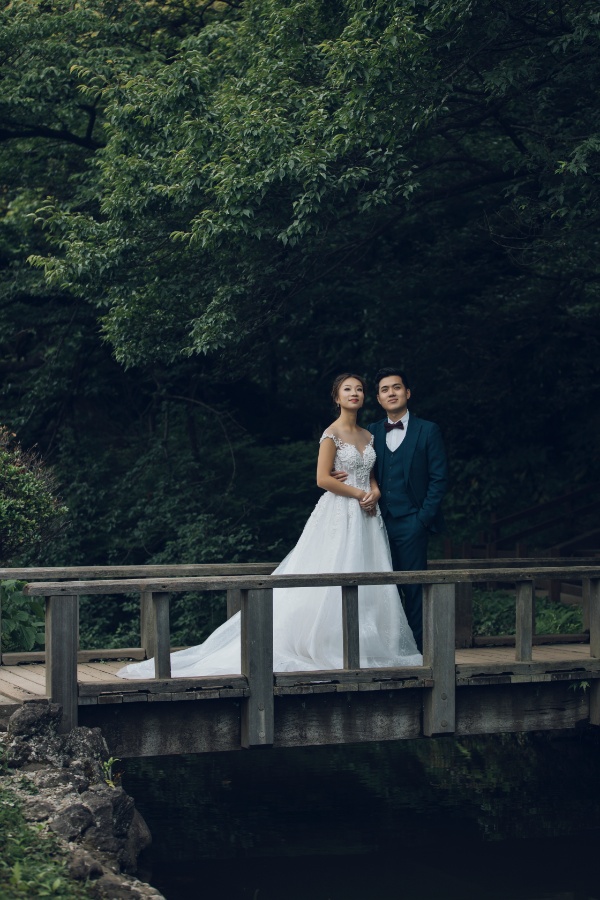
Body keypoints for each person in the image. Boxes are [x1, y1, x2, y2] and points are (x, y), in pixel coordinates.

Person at [117, 373, 422, 680]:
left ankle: (366, 646)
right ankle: (326, 643)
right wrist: (358, 495)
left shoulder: (368, 436)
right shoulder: (331, 434)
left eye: (358, 389)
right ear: (337, 397)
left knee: (368, 574)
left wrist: (374, 493)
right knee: (334, 572)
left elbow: (371, 474)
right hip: (340, 513)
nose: (354, 393)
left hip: (368, 517)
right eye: (347, 389)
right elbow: (322, 479)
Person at [366, 368, 448, 652]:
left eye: (397, 387)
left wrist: (423, 519)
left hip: (413, 521)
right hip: (375, 523)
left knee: (414, 590)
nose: (391, 393)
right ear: (378, 398)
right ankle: (389, 650)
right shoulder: (371, 432)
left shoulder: (428, 430)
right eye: (385, 389)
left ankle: (419, 653)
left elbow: (439, 478)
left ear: (407, 393)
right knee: (382, 591)